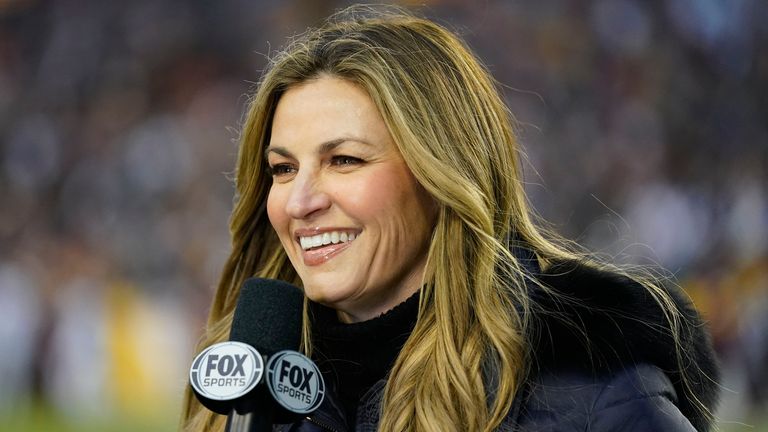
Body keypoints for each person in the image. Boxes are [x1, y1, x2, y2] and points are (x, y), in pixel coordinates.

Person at [181, 6, 719, 431]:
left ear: (441, 175)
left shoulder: (596, 392)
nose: (299, 202)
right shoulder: (243, 390)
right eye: (282, 168)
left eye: (343, 160)